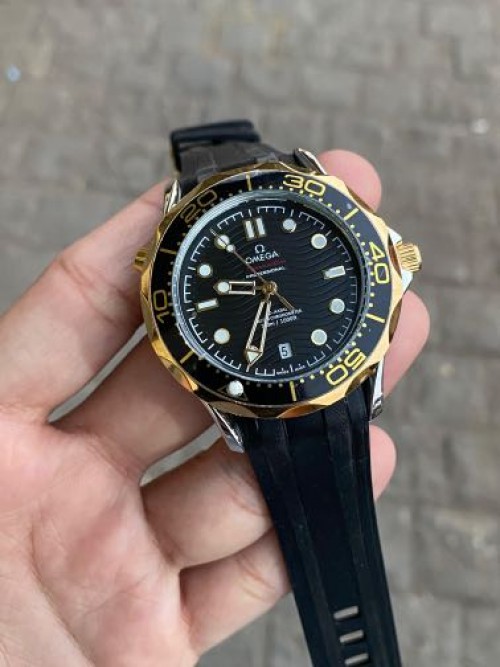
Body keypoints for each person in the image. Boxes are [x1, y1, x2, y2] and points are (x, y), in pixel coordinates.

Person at [0, 150, 429, 665]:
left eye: (269, 287)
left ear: (395, 260)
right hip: (263, 396)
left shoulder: (313, 202)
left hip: (323, 385)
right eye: (264, 287)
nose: (269, 288)